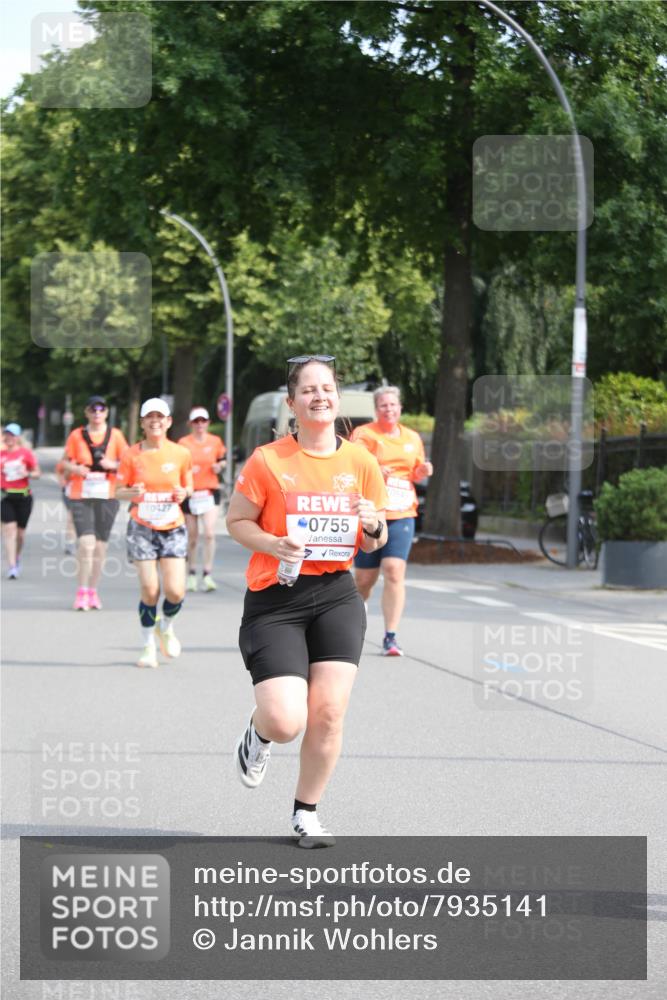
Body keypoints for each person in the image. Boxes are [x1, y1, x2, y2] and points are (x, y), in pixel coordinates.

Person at [226, 355, 388, 847]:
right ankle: (259, 734)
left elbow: (375, 540)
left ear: (337, 397)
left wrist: (371, 522)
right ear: (292, 402)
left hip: (337, 594)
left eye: (327, 388)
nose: (320, 396)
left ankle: (306, 813)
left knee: (330, 712)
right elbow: (237, 522)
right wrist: (273, 544)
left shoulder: (360, 461)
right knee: (285, 720)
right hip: (277, 596)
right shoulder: (269, 460)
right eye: (309, 390)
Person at [351, 385, 433, 656]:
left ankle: (391, 637)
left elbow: (416, 473)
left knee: (394, 570)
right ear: (376, 409)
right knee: (363, 579)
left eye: (393, 405)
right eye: (384, 405)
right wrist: (376, 468)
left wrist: (422, 471)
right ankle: (350, 623)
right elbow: (353, 462)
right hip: (372, 511)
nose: (389, 409)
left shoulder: (412, 437)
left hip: (402, 511)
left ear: (400, 408)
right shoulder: (364, 434)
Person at [116, 398, 193, 669]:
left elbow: (188, 487)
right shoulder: (131, 454)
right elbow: (117, 491)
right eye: (150, 417)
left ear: (169, 422)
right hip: (142, 526)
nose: (155, 421)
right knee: (150, 590)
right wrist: (131, 493)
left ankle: (166, 625)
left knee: (175, 591)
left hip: (172, 526)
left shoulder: (180, 453)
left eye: (160, 417)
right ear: (142, 423)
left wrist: (184, 493)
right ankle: (148, 644)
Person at [63, 396, 128, 611]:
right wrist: (75, 469)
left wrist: (113, 464)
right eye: (93, 409)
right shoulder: (76, 435)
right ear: (87, 412)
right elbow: (64, 461)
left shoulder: (116, 436)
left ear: (106, 413)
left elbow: (129, 464)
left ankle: (93, 590)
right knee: (86, 543)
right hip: (81, 495)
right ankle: (81, 591)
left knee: (100, 546)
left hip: (107, 495)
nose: (97, 413)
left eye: (101, 409)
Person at [178, 406, 226, 592]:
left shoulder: (215, 441)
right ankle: (191, 573)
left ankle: (207, 573)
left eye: (203, 421)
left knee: (209, 533)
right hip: (190, 493)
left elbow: (222, 459)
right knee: (192, 536)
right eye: (196, 421)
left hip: (209, 492)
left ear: (208, 423)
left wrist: (219, 467)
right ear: (191, 424)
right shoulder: (183, 443)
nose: (200, 424)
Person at [1, 423, 41, 579]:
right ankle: (12, 566)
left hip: (23, 496)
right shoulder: (1, 454)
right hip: (4, 496)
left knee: (20, 534)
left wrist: (28, 473)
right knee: (9, 530)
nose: (9, 438)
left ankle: (16, 557)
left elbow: (37, 473)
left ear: (17, 437)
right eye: (7, 435)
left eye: (12, 435)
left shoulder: (26, 454)